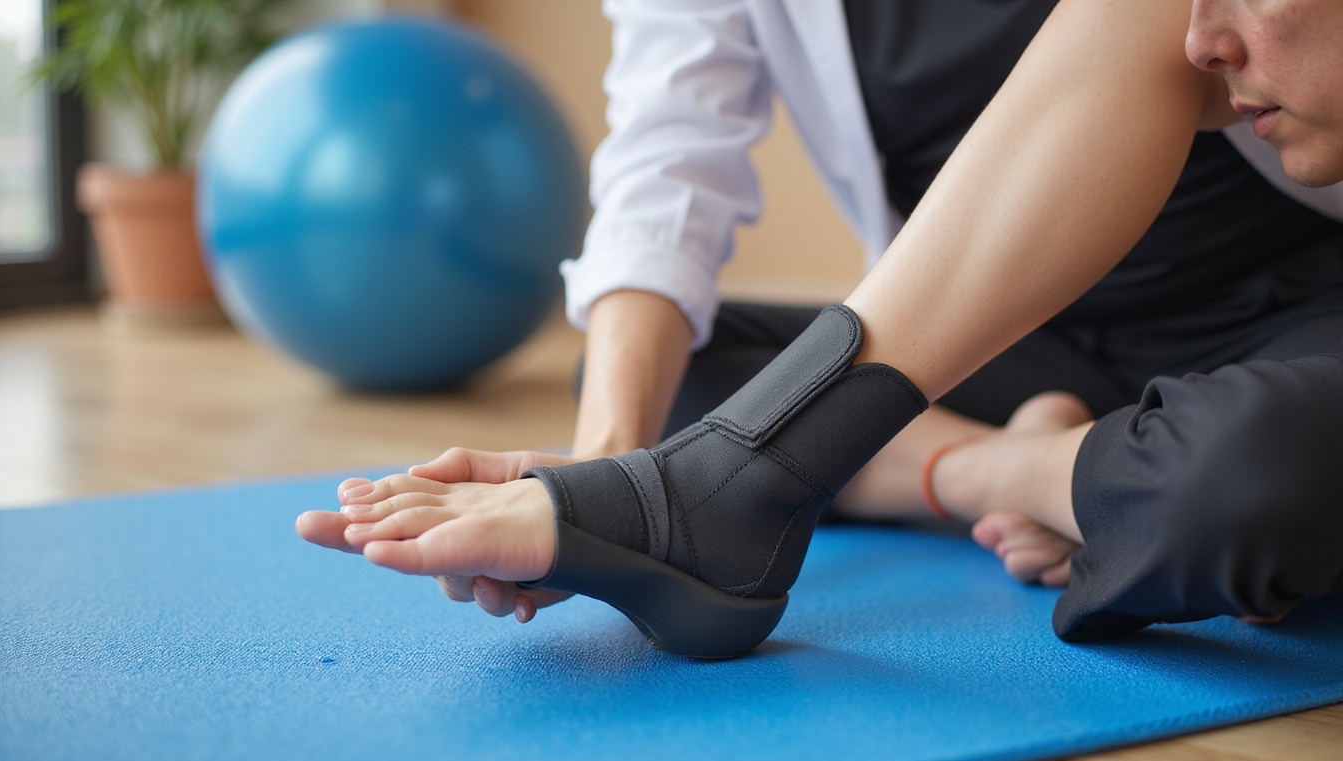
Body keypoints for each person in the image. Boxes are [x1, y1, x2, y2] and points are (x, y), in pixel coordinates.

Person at [296, 0, 1343, 656]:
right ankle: (1027, 470)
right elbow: (667, 162)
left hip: (1288, 322)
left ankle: (968, 475)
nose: (1205, 43)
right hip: (996, 341)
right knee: (677, 373)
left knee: (1249, 480)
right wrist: (614, 479)